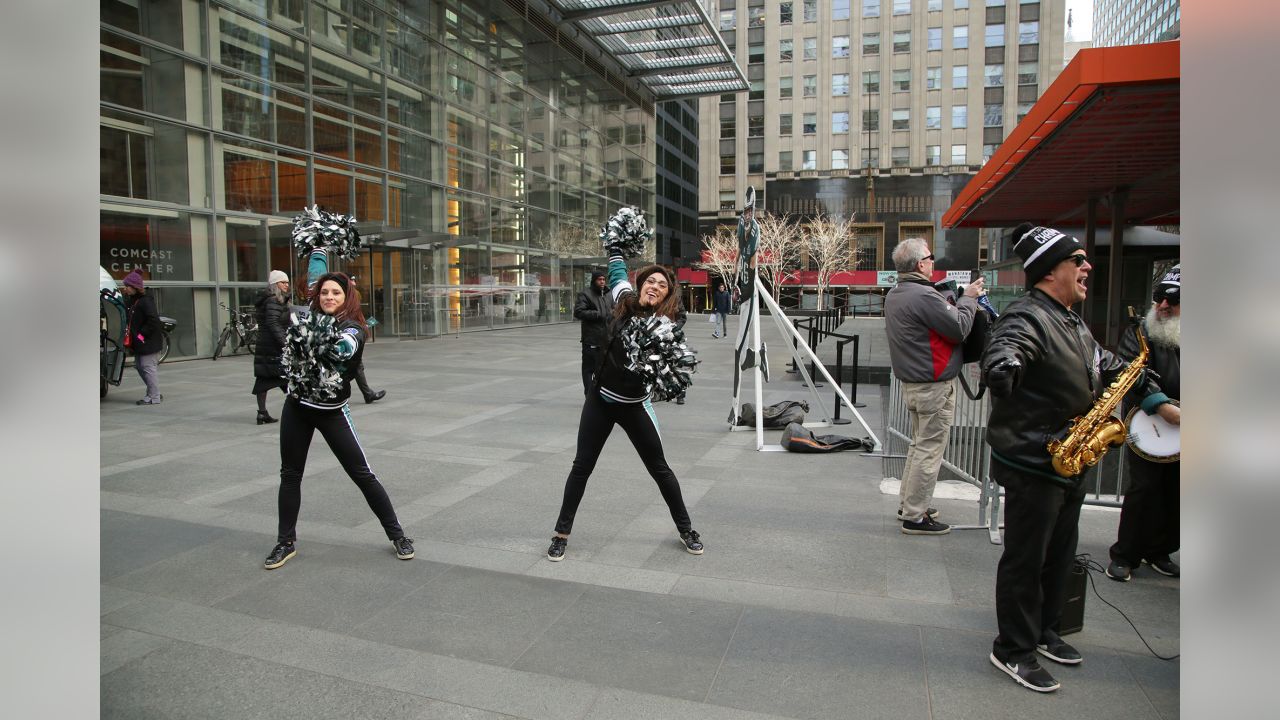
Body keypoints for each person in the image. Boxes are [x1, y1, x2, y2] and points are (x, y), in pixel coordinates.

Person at [981, 223, 1159, 693]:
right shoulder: (1025, 316)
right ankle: (1012, 649)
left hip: (1070, 459)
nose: (1087, 267)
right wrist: (1005, 369)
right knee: (1025, 559)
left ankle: (1043, 630)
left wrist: (1152, 395)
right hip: (1034, 461)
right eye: (1077, 260)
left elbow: (1106, 363)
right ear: (1049, 270)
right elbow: (1004, 351)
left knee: (1059, 555)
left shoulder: (1072, 320)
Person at [547, 256, 703, 562]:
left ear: (667, 293)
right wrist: (617, 249)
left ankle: (686, 529)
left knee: (660, 469)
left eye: (662, 284)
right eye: (650, 282)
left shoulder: (668, 325)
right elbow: (618, 274)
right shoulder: (624, 302)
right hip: (601, 400)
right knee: (581, 467)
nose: (654, 287)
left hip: (634, 406)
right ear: (641, 286)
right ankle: (560, 534)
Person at [264, 271, 413, 569]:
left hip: (332, 412)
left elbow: (346, 345)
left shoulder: (354, 328)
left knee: (362, 474)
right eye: (324, 293)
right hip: (297, 407)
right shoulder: (310, 319)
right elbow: (317, 267)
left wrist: (327, 343)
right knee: (290, 475)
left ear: (347, 298)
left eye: (336, 293)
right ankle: (285, 542)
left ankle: (397, 535)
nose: (329, 297)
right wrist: (318, 246)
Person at [884, 238, 983, 535]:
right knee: (929, 450)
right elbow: (958, 328)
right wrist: (969, 299)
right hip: (933, 385)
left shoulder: (896, 294)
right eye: (930, 257)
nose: (933, 262)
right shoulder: (924, 296)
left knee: (918, 446)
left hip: (914, 384)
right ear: (920, 264)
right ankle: (915, 516)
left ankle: (909, 504)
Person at [1107, 264, 1181, 582]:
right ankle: (1126, 554)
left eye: (1173, 299)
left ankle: (1159, 550)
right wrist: (1159, 404)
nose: (1163, 305)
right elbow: (1128, 369)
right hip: (1147, 423)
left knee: (1177, 491)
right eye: (1159, 298)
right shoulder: (1139, 331)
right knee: (1144, 489)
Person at [251, 270, 291, 424]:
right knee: (288, 378)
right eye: (283, 282)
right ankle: (299, 411)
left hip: (266, 344)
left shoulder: (270, 299)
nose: (286, 285)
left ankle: (262, 413)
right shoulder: (274, 300)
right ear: (275, 284)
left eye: (287, 282)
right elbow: (273, 323)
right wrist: (285, 343)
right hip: (273, 345)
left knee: (265, 379)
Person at [121, 270, 163, 405]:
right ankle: (153, 392)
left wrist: (141, 335)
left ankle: (154, 397)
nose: (125, 288)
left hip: (148, 342)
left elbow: (153, 320)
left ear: (135, 287)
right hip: (141, 342)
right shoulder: (134, 300)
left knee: (147, 367)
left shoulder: (145, 301)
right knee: (140, 366)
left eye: (127, 286)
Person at [573, 270, 613, 394]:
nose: (602, 282)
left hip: (606, 339)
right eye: (599, 279)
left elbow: (613, 308)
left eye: (603, 279)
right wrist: (598, 314)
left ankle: (600, 394)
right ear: (594, 281)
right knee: (589, 369)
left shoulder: (608, 293)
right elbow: (578, 312)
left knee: (603, 370)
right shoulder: (585, 294)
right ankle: (589, 394)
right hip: (591, 339)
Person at [348, 276, 386, 404]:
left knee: (357, 365)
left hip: (354, 332)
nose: (354, 282)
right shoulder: (342, 297)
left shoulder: (354, 295)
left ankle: (368, 394)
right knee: (353, 366)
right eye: (351, 280)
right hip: (348, 334)